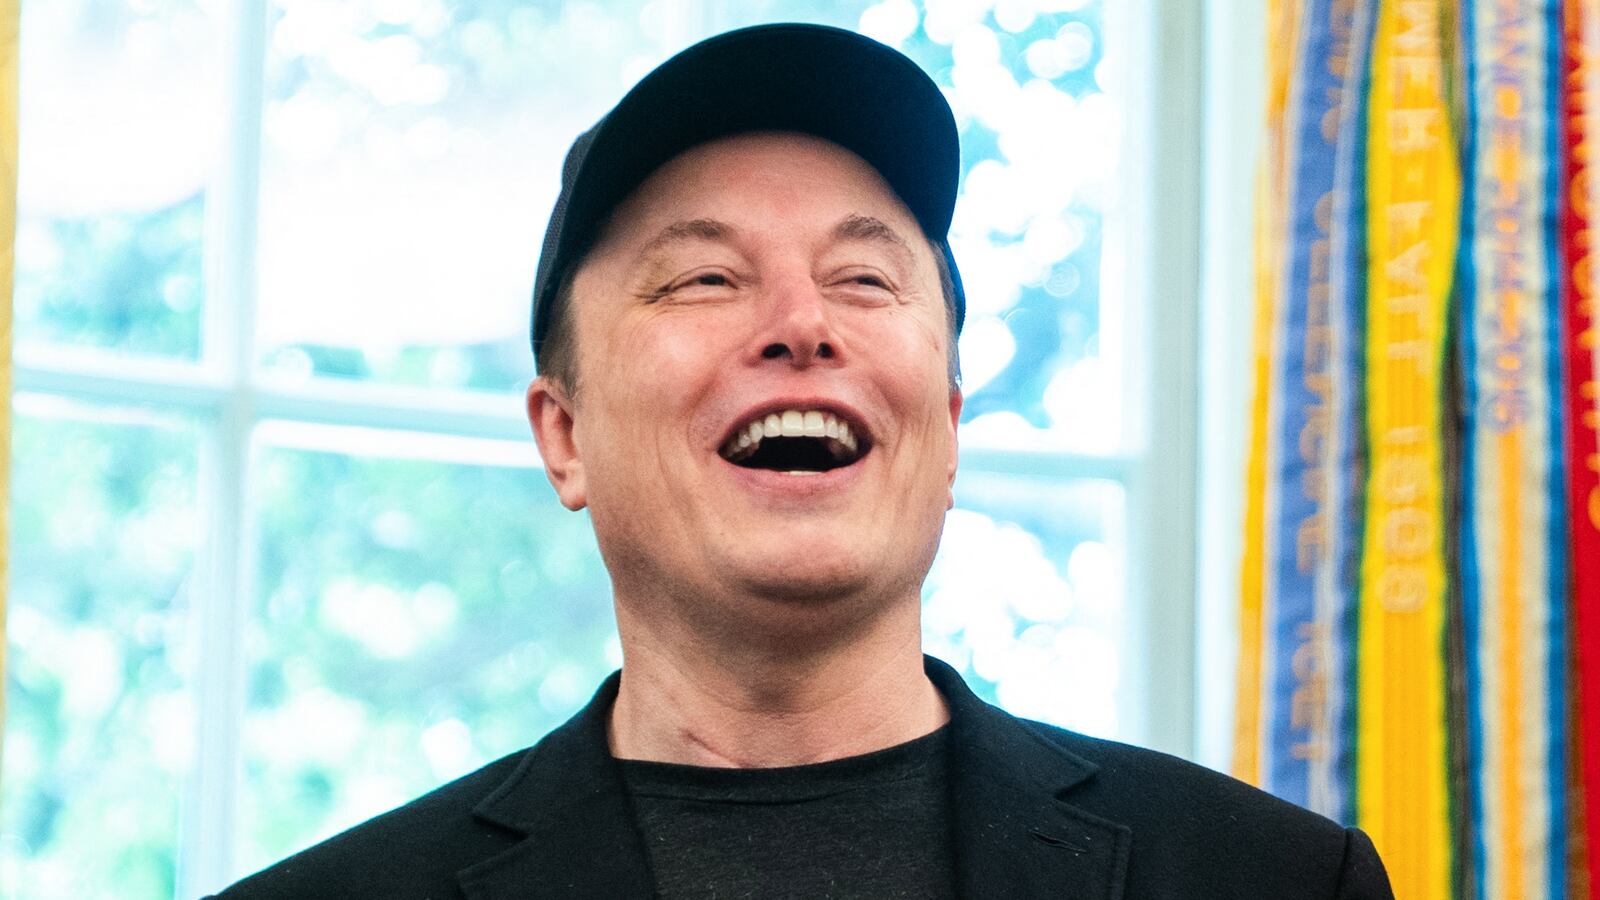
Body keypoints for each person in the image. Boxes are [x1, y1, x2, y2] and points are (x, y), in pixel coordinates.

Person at [214, 23, 1394, 900]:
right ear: (563, 436)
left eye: (864, 278)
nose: (800, 324)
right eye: (705, 278)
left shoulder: (1279, 881)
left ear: (946, 422)